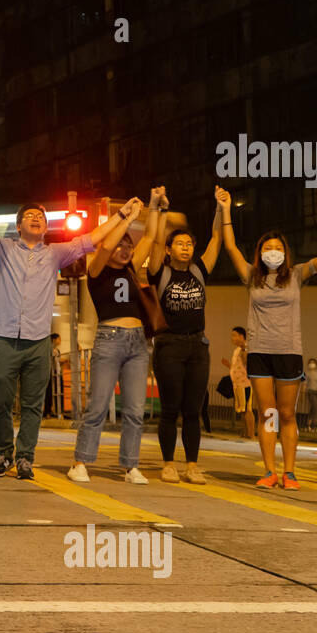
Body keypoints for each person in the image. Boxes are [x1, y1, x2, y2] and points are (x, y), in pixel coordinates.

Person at [0, 196, 120, 479]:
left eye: (41, 217)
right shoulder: (3, 248)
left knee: (33, 406)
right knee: (1, 401)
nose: (36, 218)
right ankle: (3, 454)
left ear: (46, 228)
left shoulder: (56, 253)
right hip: (5, 339)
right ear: (18, 225)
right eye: (30, 215)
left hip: (38, 342)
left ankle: (25, 458)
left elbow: (91, 239)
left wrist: (124, 217)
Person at [219, 191, 317, 488]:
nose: (272, 251)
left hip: (289, 353)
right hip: (259, 354)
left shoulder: (296, 274)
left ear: (285, 252)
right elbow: (230, 247)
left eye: (277, 247)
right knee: (267, 413)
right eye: (267, 248)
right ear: (260, 252)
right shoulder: (251, 275)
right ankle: (269, 471)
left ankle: (290, 472)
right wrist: (226, 209)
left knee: (286, 413)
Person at [68, 197, 153, 484]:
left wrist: (155, 206)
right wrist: (126, 219)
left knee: (134, 409)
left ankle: (131, 466)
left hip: (138, 343)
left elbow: (152, 236)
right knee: (98, 405)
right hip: (109, 339)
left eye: (129, 246)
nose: (126, 250)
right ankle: (81, 462)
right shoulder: (97, 270)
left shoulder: (131, 270)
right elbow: (104, 246)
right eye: (122, 245)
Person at [146, 186, 225, 482]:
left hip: (197, 347)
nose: (186, 248)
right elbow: (153, 241)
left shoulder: (199, 272)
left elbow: (216, 239)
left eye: (189, 244)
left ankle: (192, 464)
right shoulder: (161, 272)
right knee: (170, 408)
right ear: (169, 250)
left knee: (193, 409)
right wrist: (159, 208)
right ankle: (168, 463)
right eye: (179, 244)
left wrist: (220, 208)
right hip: (169, 347)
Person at [221, 326, 255, 439]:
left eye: (234, 335)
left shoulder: (246, 348)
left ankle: (251, 434)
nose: (232, 338)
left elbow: (247, 362)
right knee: (242, 410)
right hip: (237, 384)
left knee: (247, 410)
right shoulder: (236, 350)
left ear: (241, 336)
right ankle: (244, 432)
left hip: (245, 384)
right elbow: (238, 367)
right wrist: (228, 366)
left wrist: (244, 348)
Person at [303, 357, 317, 429]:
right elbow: (305, 383)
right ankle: (314, 424)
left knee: (313, 408)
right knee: (315, 407)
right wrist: (303, 391)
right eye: (310, 362)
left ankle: (308, 424)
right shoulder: (306, 373)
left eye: (313, 362)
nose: (312, 364)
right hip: (310, 392)